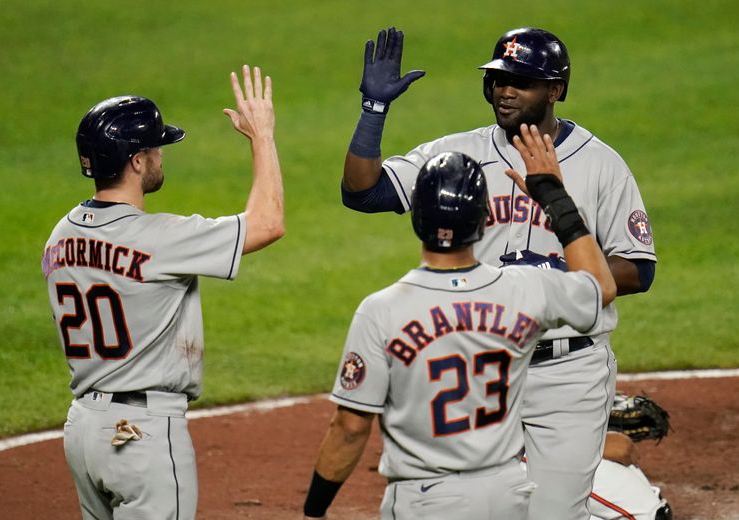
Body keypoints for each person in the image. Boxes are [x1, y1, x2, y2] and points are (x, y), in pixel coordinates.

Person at [340, 26, 657, 518]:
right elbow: (364, 192)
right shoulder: (458, 153)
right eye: (497, 79)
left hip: (568, 371)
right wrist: (372, 113)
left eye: (521, 82)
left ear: (555, 91)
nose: (504, 91)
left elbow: (638, 268)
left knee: (553, 512)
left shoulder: (600, 164)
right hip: (484, 366)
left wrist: (552, 276)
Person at [303, 126, 617, 519]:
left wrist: (313, 510)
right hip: (505, 493)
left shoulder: (382, 310)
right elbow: (600, 285)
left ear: (416, 218)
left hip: (426, 498)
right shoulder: (527, 290)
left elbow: (350, 428)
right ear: (484, 220)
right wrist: (553, 196)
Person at [41, 65, 284, 520]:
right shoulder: (159, 238)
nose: (160, 156)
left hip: (83, 430)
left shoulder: (59, 236)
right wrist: (262, 137)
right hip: (143, 435)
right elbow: (268, 223)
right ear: (135, 161)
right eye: (155, 148)